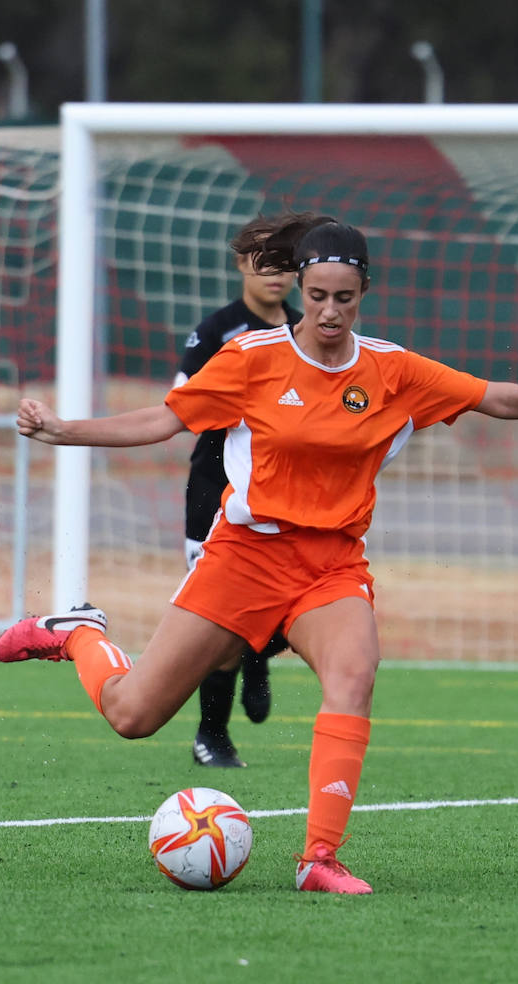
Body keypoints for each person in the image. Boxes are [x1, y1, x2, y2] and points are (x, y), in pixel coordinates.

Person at [0, 213, 518, 896]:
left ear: (363, 293)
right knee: (133, 716)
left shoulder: (391, 370)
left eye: (342, 298)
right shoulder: (252, 358)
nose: (327, 311)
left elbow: (496, 398)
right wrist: (64, 430)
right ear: (301, 286)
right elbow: (164, 418)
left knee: (355, 675)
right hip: (244, 559)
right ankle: (77, 633)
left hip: (331, 565)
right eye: (316, 295)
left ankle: (319, 858)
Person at [176, 222, 302, 769]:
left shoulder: (307, 332)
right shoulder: (217, 333)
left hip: (284, 501)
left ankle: (259, 654)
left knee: (287, 615)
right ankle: (212, 737)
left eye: (283, 263)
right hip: (214, 493)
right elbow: (180, 406)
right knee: (221, 625)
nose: (273, 274)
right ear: (241, 266)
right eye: (262, 262)